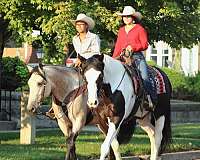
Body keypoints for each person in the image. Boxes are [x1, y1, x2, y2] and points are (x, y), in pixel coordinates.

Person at [112, 6, 156, 109]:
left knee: (144, 77)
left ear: (133, 18)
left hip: (137, 57)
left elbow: (145, 44)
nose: (126, 18)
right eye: (124, 16)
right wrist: (113, 59)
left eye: (128, 16)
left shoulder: (139, 29)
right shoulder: (121, 30)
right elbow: (118, 46)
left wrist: (133, 47)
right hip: (122, 57)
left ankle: (151, 100)